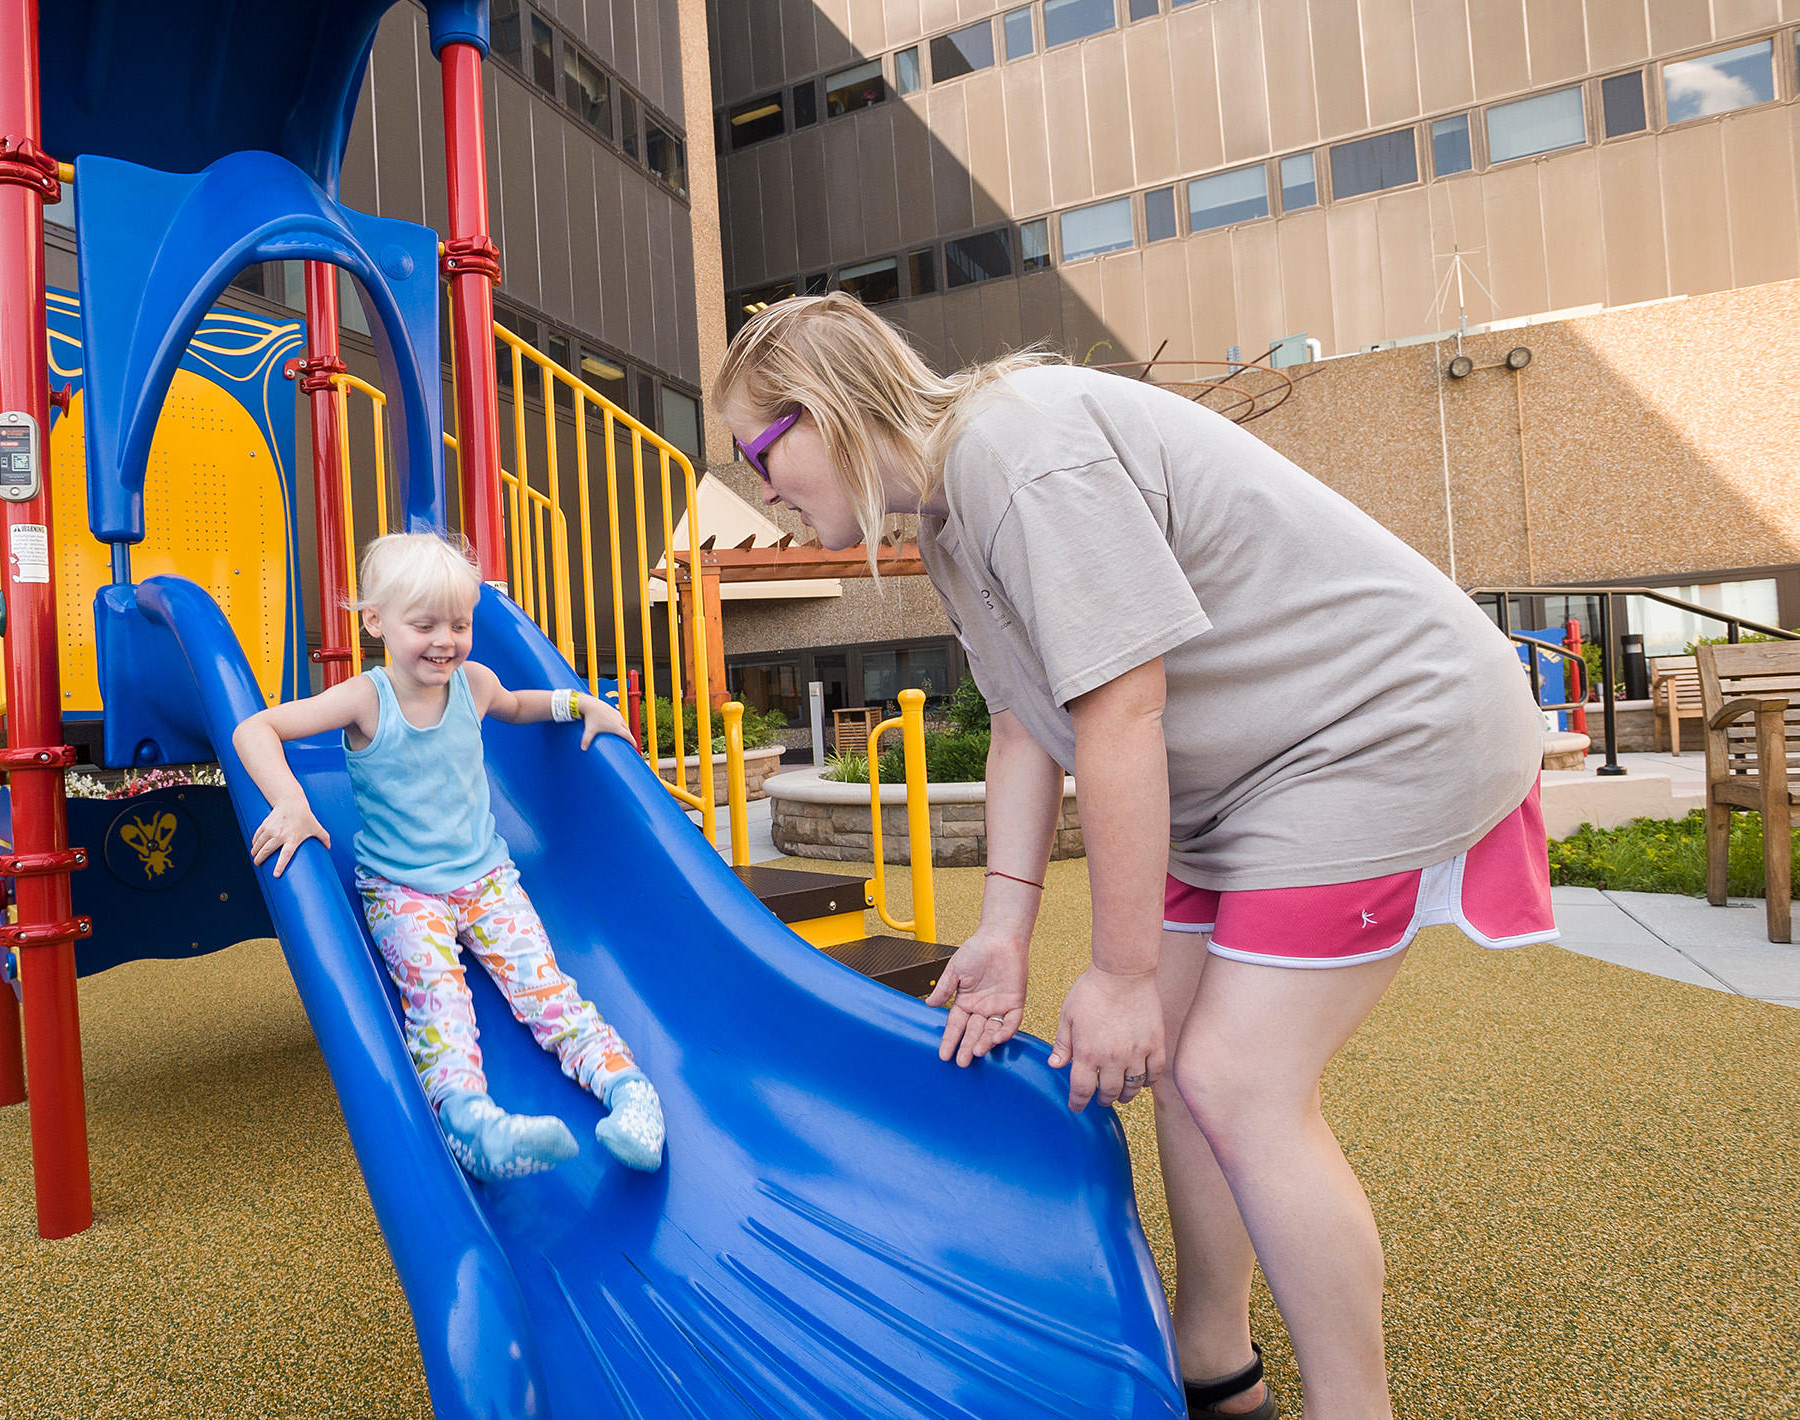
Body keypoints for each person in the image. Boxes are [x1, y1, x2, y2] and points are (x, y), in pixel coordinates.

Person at [712, 295, 1555, 1420]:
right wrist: (1005, 931)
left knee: (1239, 1081)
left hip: (1380, 729)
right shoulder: (953, 515)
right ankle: (1216, 1363)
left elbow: (1121, 711)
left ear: (826, 410)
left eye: (756, 451)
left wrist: (1119, 975)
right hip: (1257, 766)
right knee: (1185, 1080)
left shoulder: (1021, 451)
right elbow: (1024, 724)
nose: (757, 486)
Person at [233, 532, 666, 1183]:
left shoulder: (475, 683)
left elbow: (521, 707)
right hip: (403, 892)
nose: (445, 640)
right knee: (439, 1000)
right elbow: (254, 728)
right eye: (424, 624)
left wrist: (584, 704)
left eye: (459, 624)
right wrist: (291, 801)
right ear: (376, 622)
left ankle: (630, 1094)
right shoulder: (364, 698)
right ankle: (472, 1126)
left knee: (544, 986)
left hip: (488, 880)